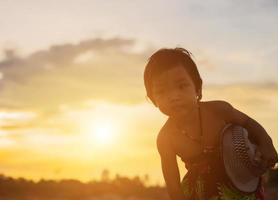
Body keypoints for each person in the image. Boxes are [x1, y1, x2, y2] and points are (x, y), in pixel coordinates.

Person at [143, 47, 278, 200]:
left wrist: (266, 142)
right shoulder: (166, 139)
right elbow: (173, 185)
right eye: (162, 91)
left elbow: (247, 122)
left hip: (239, 180)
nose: (174, 96)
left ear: (197, 88)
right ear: (153, 100)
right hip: (201, 193)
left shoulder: (219, 110)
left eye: (181, 86)